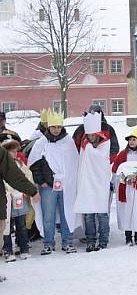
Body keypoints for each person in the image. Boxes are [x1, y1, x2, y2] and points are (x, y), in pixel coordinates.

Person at [29, 111, 79, 255]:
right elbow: (34, 164)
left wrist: (70, 180)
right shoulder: (41, 142)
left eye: (58, 126)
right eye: (53, 127)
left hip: (66, 185)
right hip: (48, 186)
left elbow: (74, 163)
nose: (56, 129)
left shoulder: (68, 142)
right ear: (48, 127)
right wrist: (41, 181)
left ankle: (67, 242)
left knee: (66, 213)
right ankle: (48, 243)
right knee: (48, 216)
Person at [73, 112, 114, 251]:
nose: (90, 138)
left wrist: (88, 147)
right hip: (87, 183)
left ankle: (103, 240)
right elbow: (82, 163)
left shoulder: (105, 143)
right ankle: (90, 240)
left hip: (100, 183)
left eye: (92, 135)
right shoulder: (84, 146)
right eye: (88, 135)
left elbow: (101, 159)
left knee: (102, 214)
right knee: (89, 214)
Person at [0, 141, 39, 280]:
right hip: (5, 201)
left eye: (15, 151)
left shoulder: (15, 162)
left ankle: (22, 248)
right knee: (5, 229)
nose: (14, 153)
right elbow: (9, 178)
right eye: (11, 151)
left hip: (15, 201)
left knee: (17, 227)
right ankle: (8, 250)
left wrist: (29, 191)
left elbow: (19, 176)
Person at [111, 127, 137, 246]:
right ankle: (128, 237)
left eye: (134, 139)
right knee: (127, 211)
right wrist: (123, 179)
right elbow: (115, 171)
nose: (131, 142)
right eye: (130, 139)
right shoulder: (122, 154)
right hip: (126, 189)